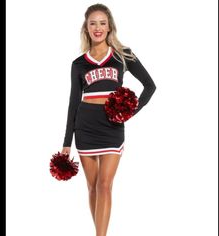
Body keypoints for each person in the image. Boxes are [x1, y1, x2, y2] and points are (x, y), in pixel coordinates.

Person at [61, 3, 156, 236]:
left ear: (109, 26)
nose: (98, 27)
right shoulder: (78, 64)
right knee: (92, 187)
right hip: (85, 126)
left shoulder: (123, 56)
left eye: (102, 22)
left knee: (105, 186)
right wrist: (66, 142)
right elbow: (73, 103)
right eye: (93, 23)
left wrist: (130, 111)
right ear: (86, 27)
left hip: (112, 126)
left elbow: (150, 86)